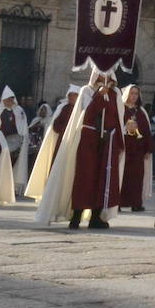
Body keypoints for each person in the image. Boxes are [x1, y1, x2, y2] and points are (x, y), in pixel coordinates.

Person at [34, 67, 125, 229]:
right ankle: (76, 215)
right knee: (84, 177)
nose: (103, 78)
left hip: (107, 141)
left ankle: (96, 217)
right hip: (88, 139)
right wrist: (99, 95)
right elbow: (88, 114)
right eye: (100, 75)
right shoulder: (86, 91)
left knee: (103, 179)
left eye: (107, 75)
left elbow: (117, 117)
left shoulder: (115, 93)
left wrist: (118, 141)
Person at [0, 87, 29, 195]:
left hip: (14, 144)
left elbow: (23, 126)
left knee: (12, 166)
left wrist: (22, 139)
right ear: (3, 99)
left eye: (11, 99)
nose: (10, 101)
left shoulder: (19, 110)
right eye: (7, 99)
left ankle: (11, 188)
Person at [120, 84, 152, 212]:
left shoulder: (141, 111)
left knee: (137, 177)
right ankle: (119, 203)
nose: (133, 96)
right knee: (122, 176)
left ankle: (136, 203)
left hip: (138, 151)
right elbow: (116, 126)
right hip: (124, 149)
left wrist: (148, 149)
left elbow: (146, 130)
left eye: (136, 94)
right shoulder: (121, 109)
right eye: (131, 93)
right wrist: (126, 129)